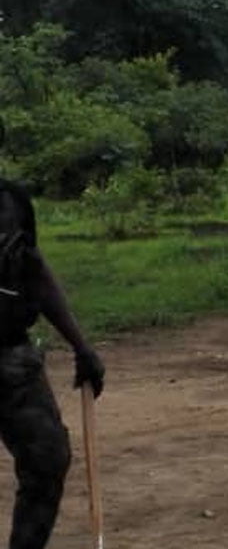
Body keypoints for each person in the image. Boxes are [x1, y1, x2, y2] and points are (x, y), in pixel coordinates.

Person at [0, 178, 106, 549]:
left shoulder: (12, 212)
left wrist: (82, 348)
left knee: (47, 458)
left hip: (10, 361)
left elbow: (39, 280)